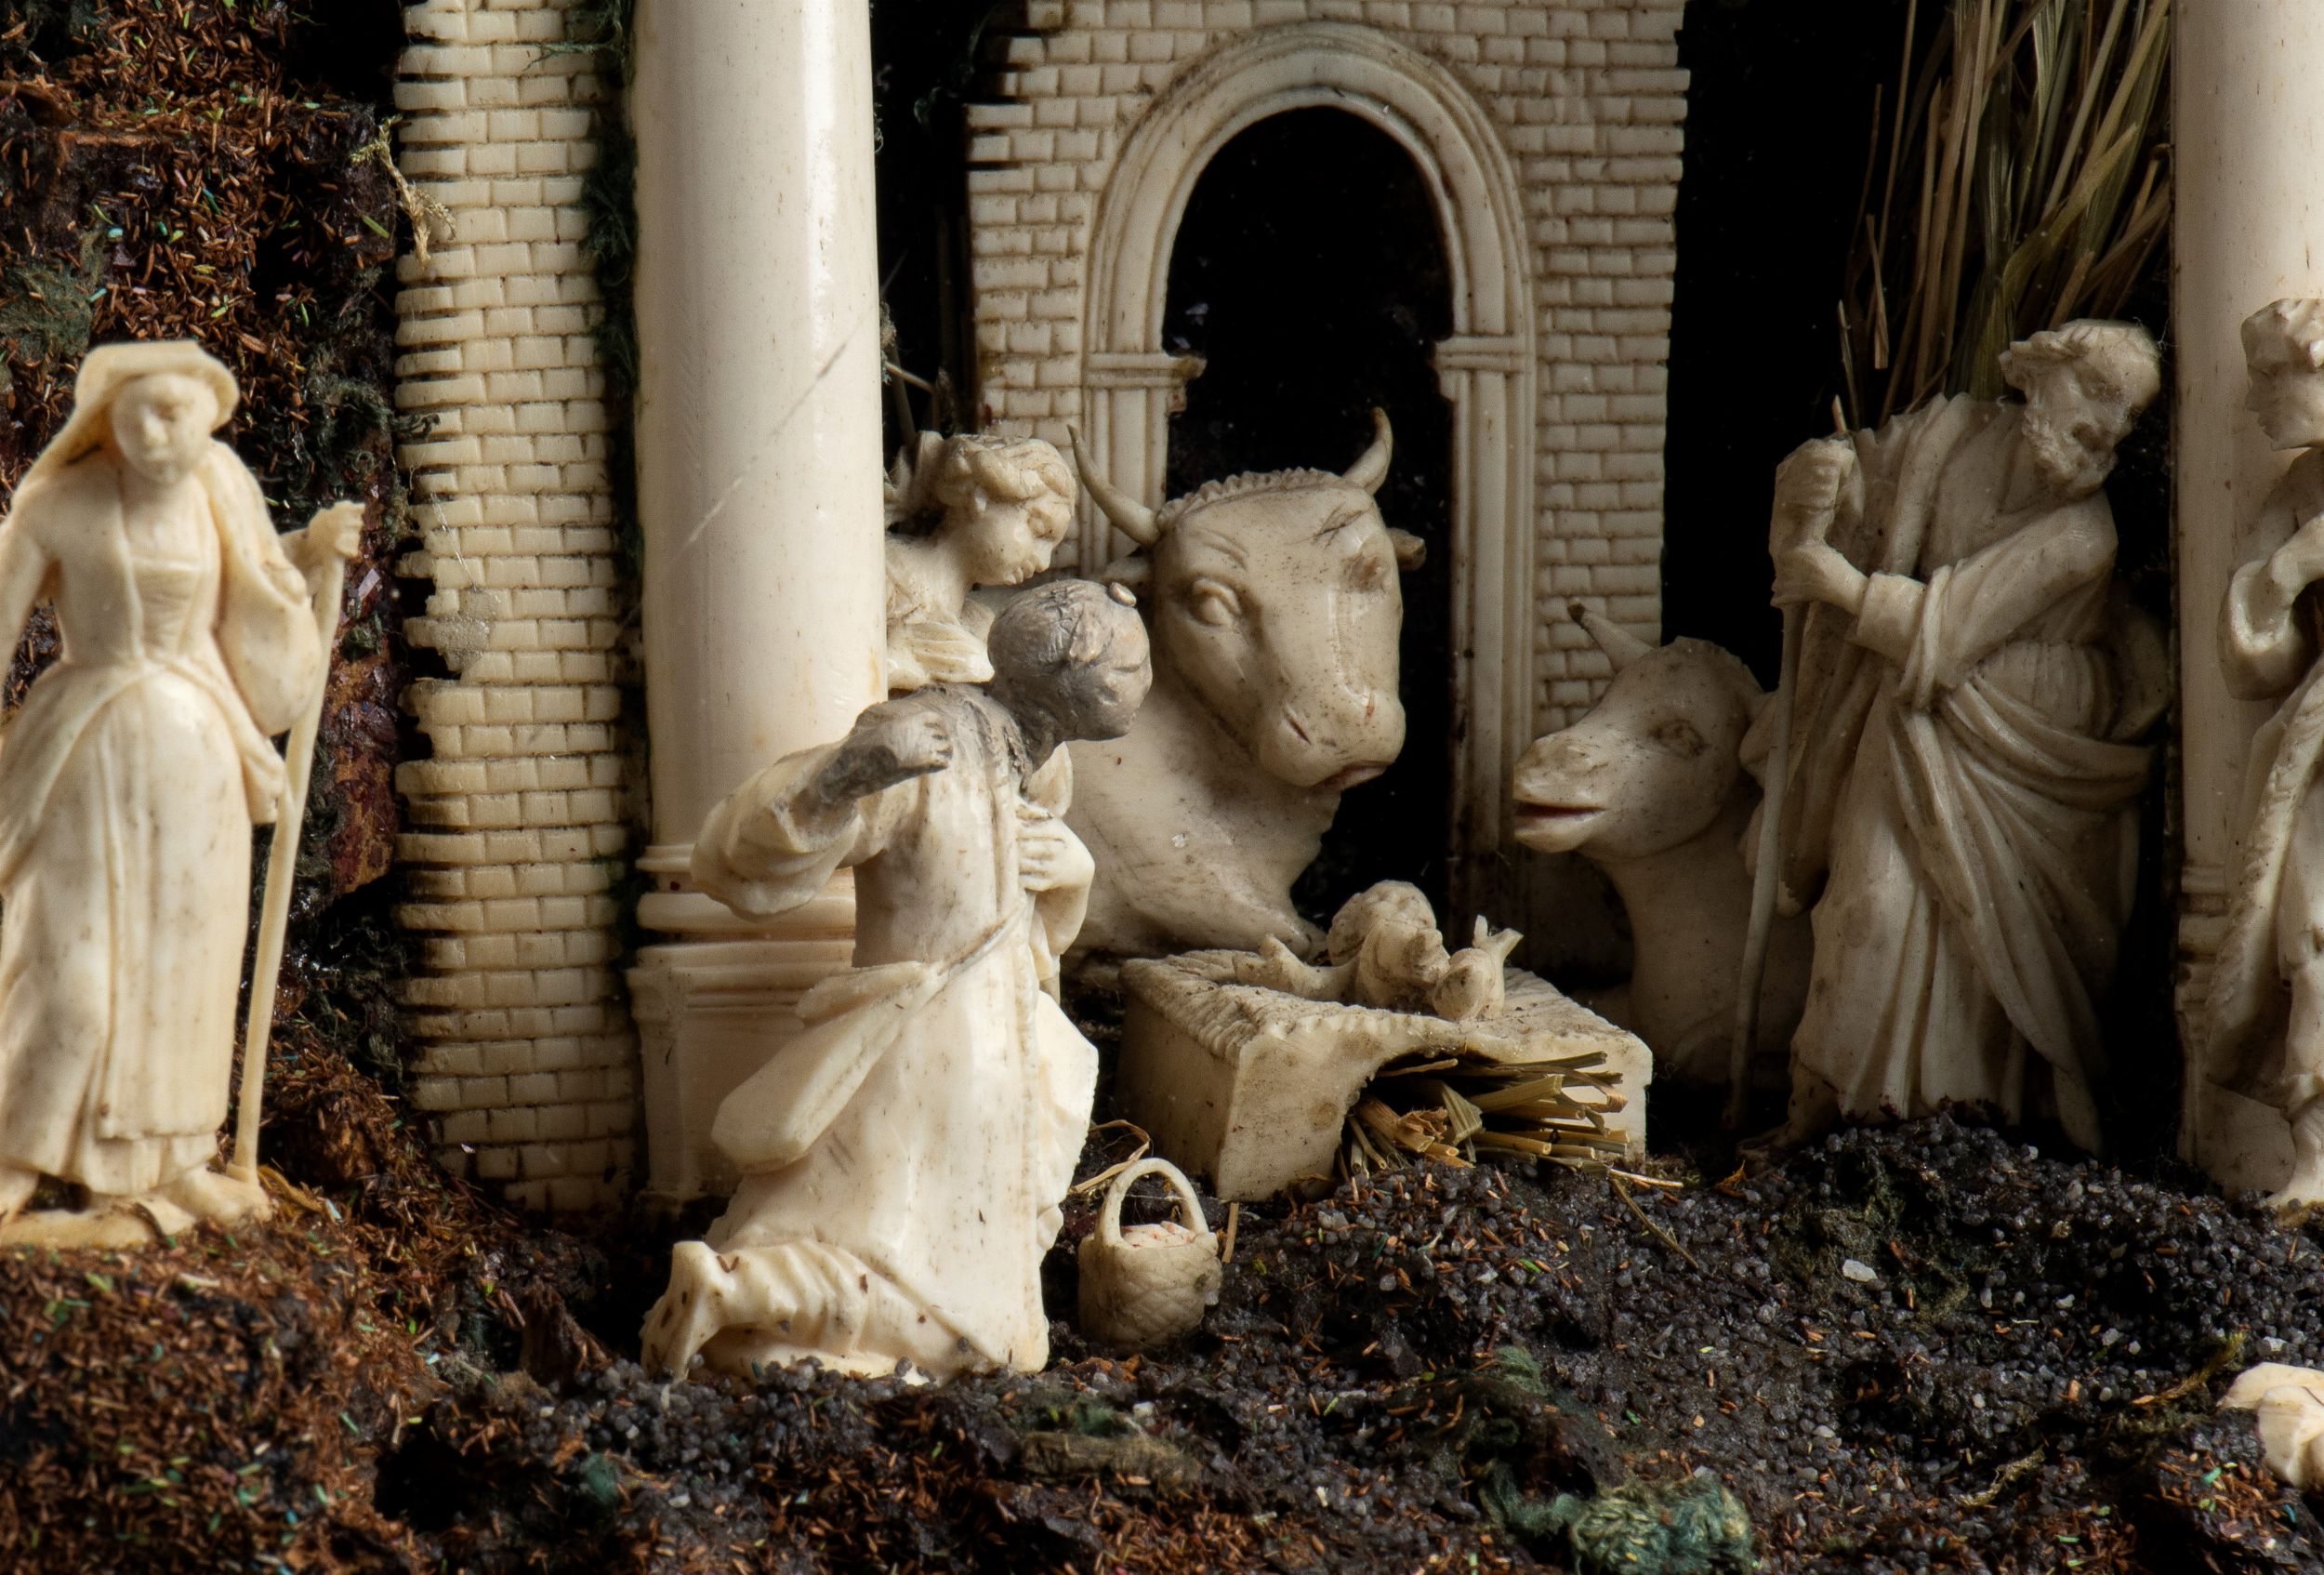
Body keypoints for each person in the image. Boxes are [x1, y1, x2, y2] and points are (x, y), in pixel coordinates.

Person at [643, 578, 1151, 1380]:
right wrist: (844, 776)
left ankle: (749, 1304)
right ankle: (743, 1304)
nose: (1142, 682)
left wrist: (1072, 878)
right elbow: (732, 858)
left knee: (971, 1297)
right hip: (919, 1053)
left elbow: (1029, 928)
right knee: (900, 1248)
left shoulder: (1046, 770)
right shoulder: (926, 742)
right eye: (1126, 669)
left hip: (1005, 1056)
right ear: (1067, 679)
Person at [1759, 319, 2163, 1152]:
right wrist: (1822, 479)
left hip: (2013, 735)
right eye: (2097, 393)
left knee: (1978, 943)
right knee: (1870, 903)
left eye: (2126, 417)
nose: (2104, 428)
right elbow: (1861, 488)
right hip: (1911, 712)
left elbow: (1952, 628)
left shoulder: (2085, 536)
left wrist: (1839, 586)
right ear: (2040, 371)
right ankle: (1841, 1111)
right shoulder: (1942, 438)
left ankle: (1953, 1124)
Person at [0, 341, 352, 1233]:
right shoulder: (54, 505)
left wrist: (310, 553)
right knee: (68, 964)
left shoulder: (221, 487)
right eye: (143, 415)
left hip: (200, 755)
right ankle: (15, 1159)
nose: (163, 434)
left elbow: (250, 580)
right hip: (88, 746)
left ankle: (172, 1159)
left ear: (212, 417)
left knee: (189, 963)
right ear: (106, 420)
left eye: (182, 415)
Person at [2209, 298, 2324, 1208]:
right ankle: (2316, 1156)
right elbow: (2251, 664)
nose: (2252, 405)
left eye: (2268, 380)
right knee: (2310, 933)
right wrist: (2291, 568)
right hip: (2318, 740)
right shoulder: (2298, 491)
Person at [883, 431, 1076, 690]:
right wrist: (902, 661)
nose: (1044, 562)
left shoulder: (981, 625)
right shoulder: (885, 576)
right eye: (1038, 529)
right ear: (979, 497)